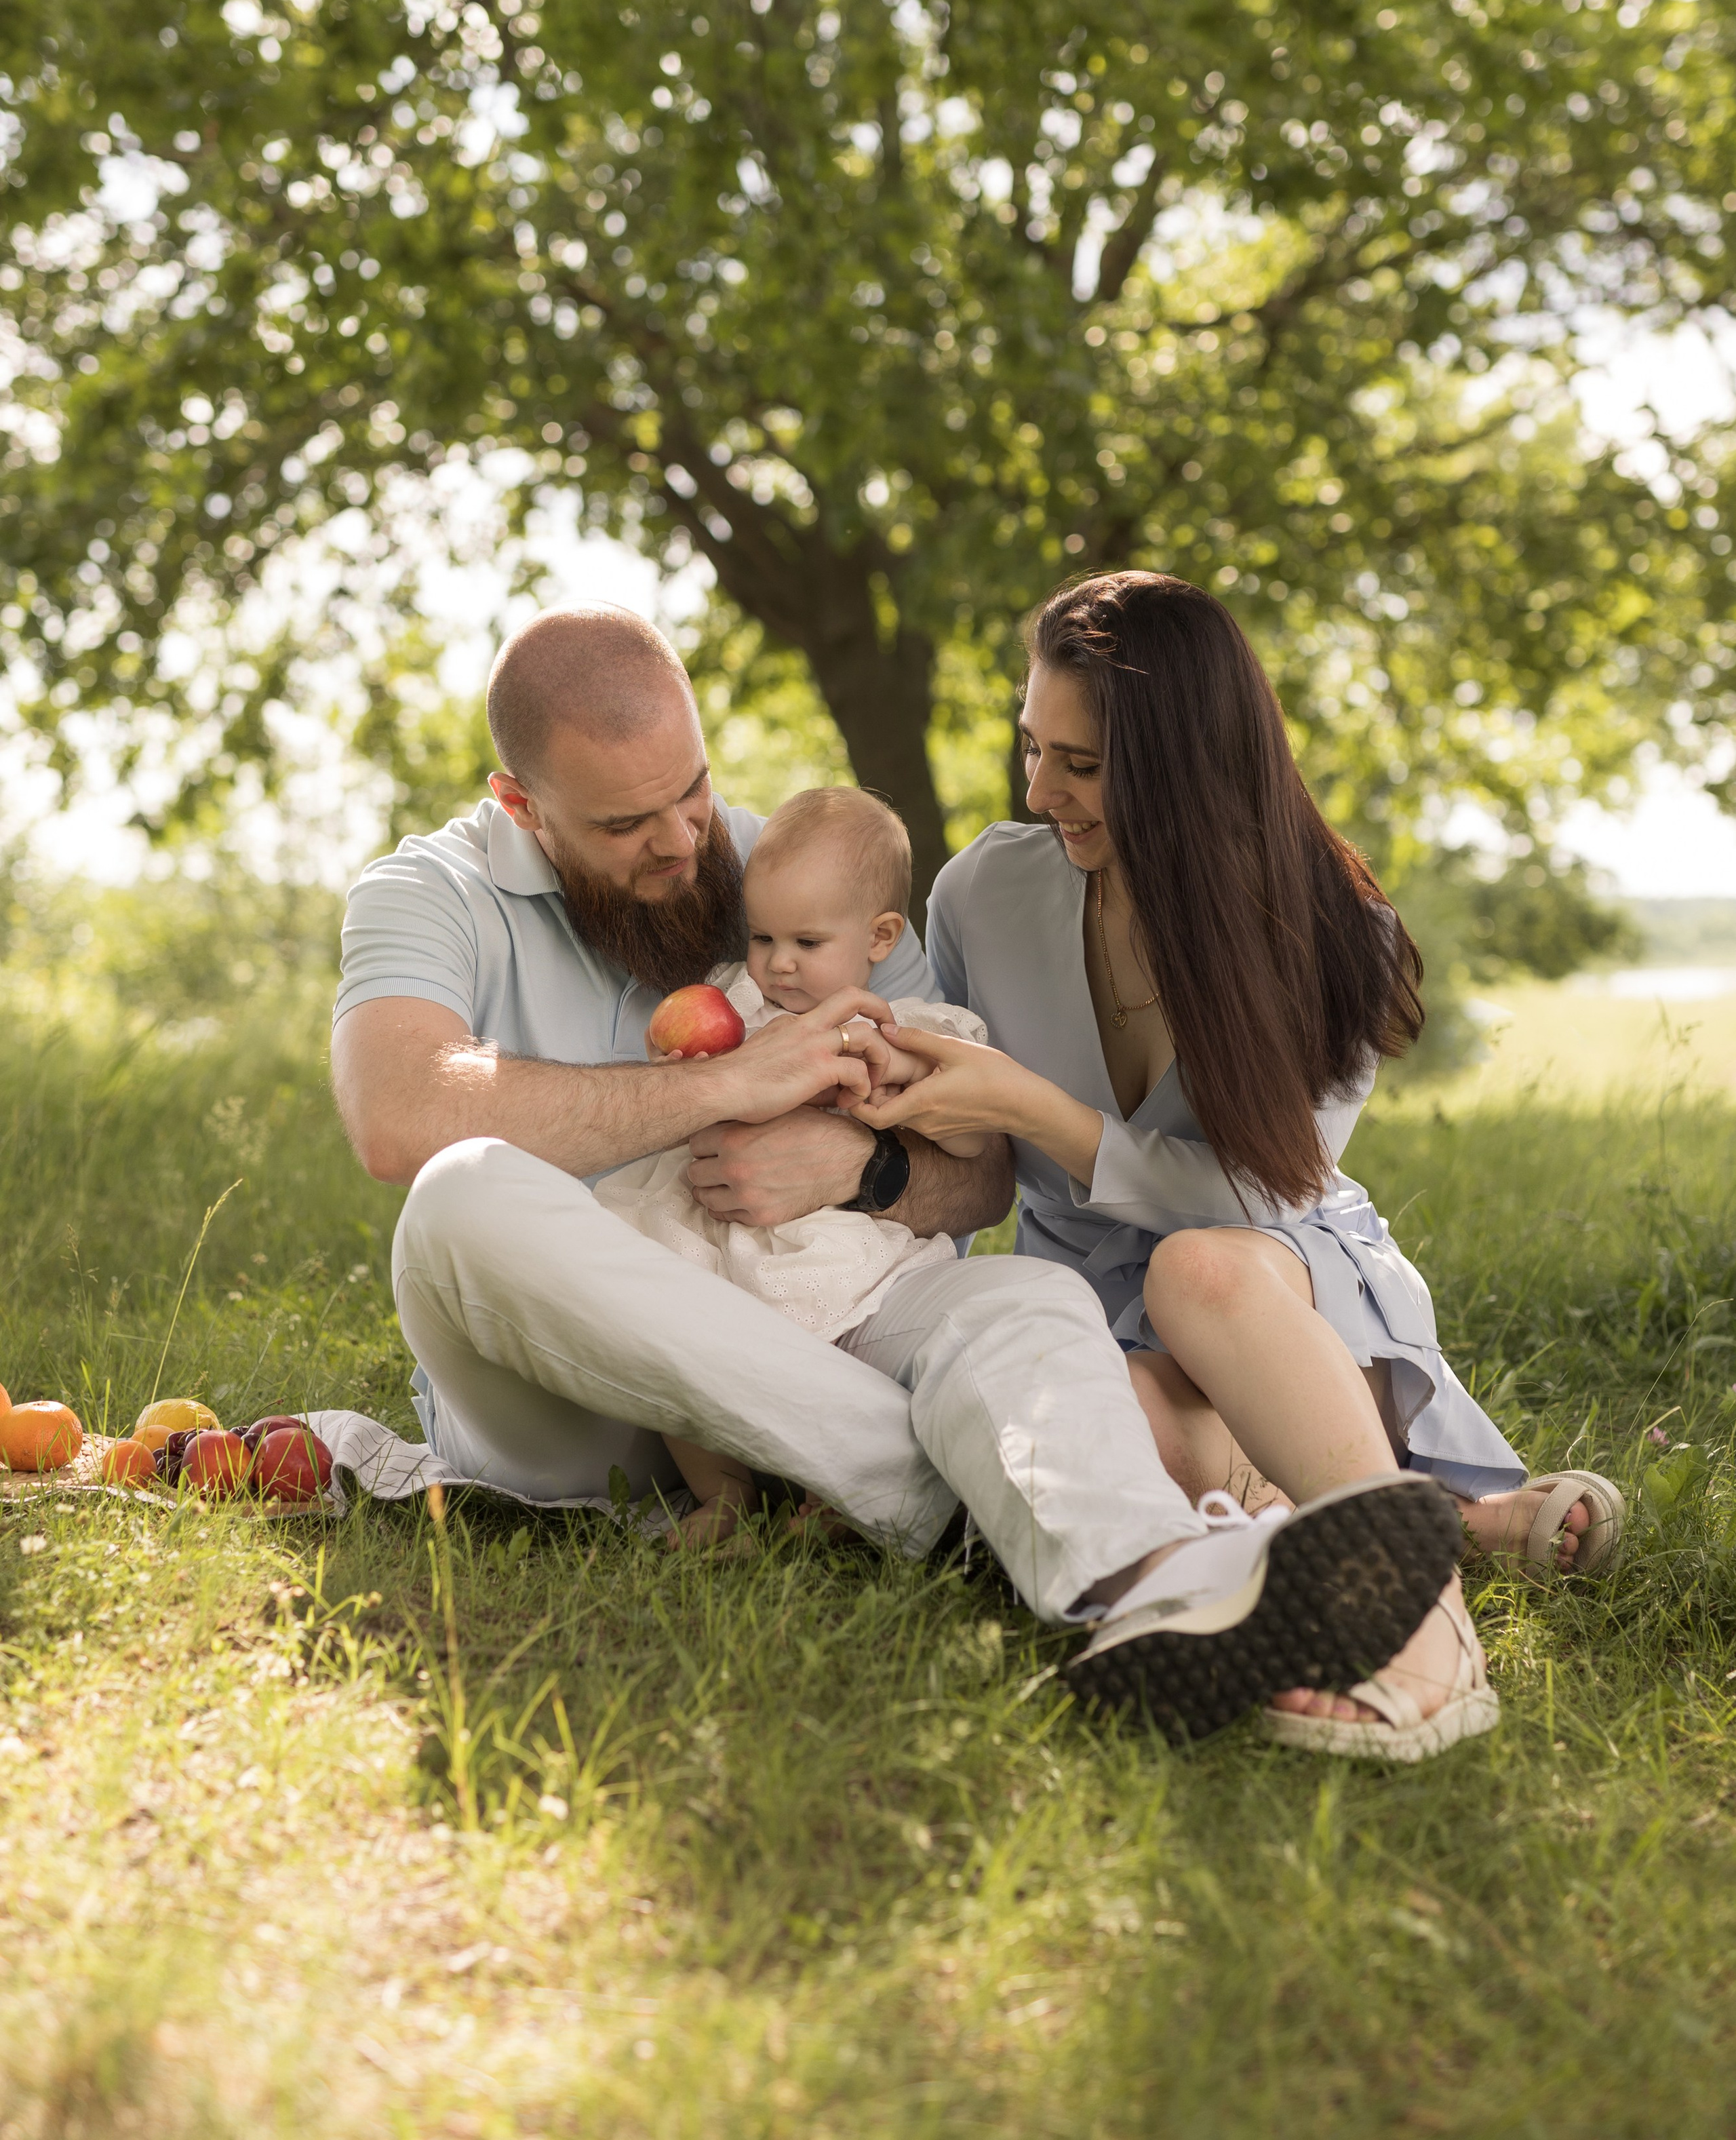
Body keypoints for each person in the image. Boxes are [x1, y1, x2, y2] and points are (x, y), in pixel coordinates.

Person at [331, 602, 1461, 1738]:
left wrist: (865, 1170)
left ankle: (1158, 1575)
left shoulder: (792, 878)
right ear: (519, 804)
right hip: (569, 1405)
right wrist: (723, 1087)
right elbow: (399, 1114)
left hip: (802, 1338)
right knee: (460, 1190)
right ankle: (958, 1494)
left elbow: (969, 1181)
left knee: (1023, 1293)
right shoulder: (428, 892)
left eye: (694, 789)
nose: (684, 842)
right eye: (630, 822)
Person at [854, 572, 1623, 1762]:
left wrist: (1045, 1113)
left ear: (1182, 765)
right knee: (1081, 1435)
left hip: (1279, 1288)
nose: (1039, 791)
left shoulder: (1332, 935)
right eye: (1031, 747)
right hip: (1102, 1320)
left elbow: (1263, 1196)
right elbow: (968, 1166)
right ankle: (1439, 1517)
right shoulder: (982, 893)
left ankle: (1432, 1633)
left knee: (1197, 1276)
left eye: (1083, 764)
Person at [595, 785, 991, 1543]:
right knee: (673, 1331)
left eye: (806, 944)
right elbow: (691, 1090)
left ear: (880, 938)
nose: (777, 965)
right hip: (715, 1228)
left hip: (826, 1241)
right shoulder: (735, 1005)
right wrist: (676, 1063)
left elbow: (973, 1140)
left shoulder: (909, 1033)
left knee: (845, 1353)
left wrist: (904, 1083)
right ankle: (724, 1493)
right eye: (761, 938)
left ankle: (837, 1493)